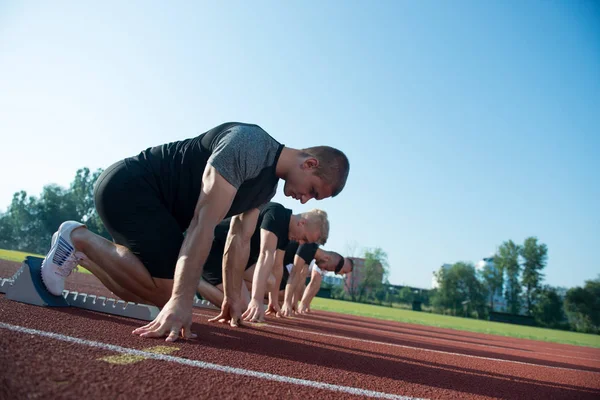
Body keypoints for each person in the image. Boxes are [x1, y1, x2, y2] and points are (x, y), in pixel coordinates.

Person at [39, 122, 349, 342]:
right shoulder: (249, 146)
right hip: (131, 188)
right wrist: (183, 299)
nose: (305, 200)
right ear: (309, 163)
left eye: (312, 198)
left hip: (161, 214)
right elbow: (204, 221)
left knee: (161, 294)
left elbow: (238, 241)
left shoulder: (266, 189)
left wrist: (230, 297)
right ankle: (77, 237)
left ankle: (81, 251)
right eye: (312, 191)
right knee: (169, 293)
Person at [197, 203, 328, 323]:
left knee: (270, 281)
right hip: (216, 249)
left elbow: (277, 267)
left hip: (238, 258)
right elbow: (265, 255)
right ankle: (194, 281)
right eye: (304, 238)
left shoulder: (286, 234)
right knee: (242, 306)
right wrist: (256, 299)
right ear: (302, 223)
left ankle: (232, 288)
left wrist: (273, 301)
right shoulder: (277, 214)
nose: (301, 243)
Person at [273, 243, 353, 316]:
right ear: (326, 259)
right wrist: (289, 303)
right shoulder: (308, 247)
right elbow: (296, 275)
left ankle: (273, 301)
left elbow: (301, 279)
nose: (322, 269)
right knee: (281, 293)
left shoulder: (311, 255)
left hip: (281, 267)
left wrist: (295, 302)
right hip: (273, 263)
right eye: (325, 268)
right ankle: (268, 299)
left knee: (287, 295)